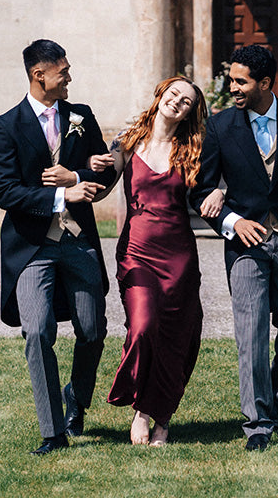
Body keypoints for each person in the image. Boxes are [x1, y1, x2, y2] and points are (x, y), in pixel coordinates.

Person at [188, 44, 278, 451]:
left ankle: (277, 404)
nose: (232, 87)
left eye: (240, 81)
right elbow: (199, 191)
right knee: (250, 333)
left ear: (265, 83)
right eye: (231, 79)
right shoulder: (218, 127)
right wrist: (231, 220)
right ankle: (257, 423)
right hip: (245, 248)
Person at [0, 39, 116, 455]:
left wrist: (77, 179)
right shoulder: (5, 126)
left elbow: (106, 170)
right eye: (63, 71)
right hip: (31, 249)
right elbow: (6, 192)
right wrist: (62, 197)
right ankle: (52, 431)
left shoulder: (82, 116)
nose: (70, 78)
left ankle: (76, 401)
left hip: (79, 244)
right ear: (38, 75)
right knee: (38, 331)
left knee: (93, 330)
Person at [87, 76, 225, 446]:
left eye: (186, 102)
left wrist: (221, 194)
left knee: (178, 337)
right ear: (161, 94)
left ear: (190, 113)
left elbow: (215, 188)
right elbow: (101, 187)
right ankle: (142, 404)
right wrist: (80, 174)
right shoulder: (128, 142)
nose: (177, 103)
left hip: (179, 254)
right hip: (137, 252)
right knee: (144, 327)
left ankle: (154, 415)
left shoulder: (193, 148)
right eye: (174, 94)